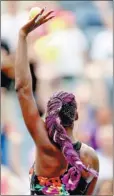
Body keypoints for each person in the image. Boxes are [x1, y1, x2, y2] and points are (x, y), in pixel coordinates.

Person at [15, 8, 99, 195]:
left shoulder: (43, 143)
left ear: (50, 114)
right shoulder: (90, 158)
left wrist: (22, 36)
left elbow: (23, 89)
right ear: (76, 115)